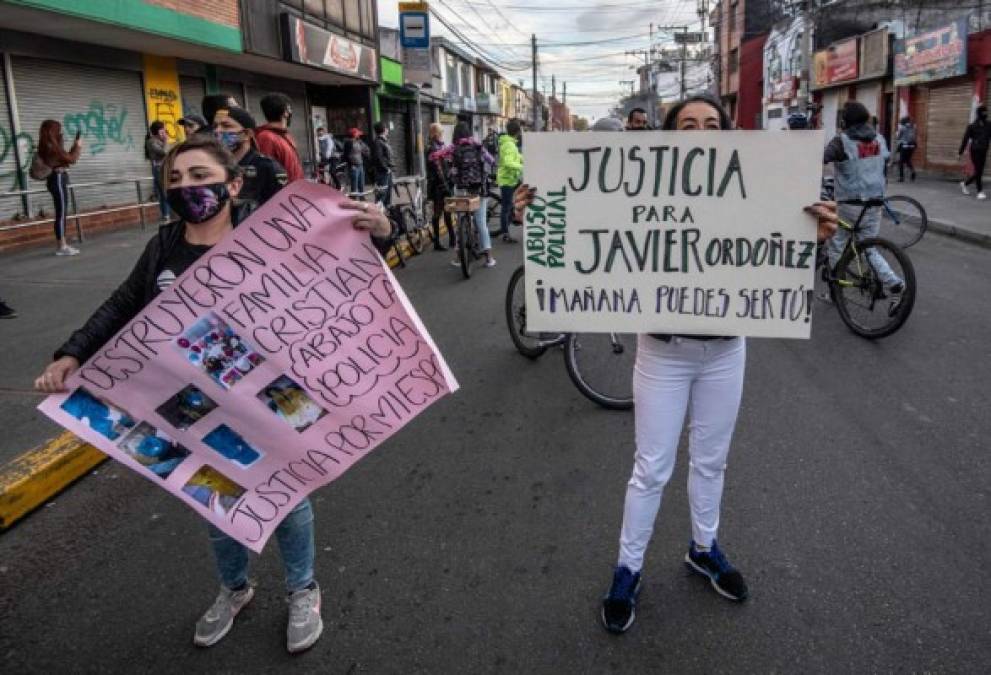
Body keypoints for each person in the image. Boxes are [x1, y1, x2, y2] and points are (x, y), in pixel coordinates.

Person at [34, 134, 391, 653]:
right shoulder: (162, 245)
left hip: (272, 394)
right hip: (194, 405)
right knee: (214, 498)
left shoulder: (266, 236)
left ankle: (302, 589)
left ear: (235, 182)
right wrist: (73, 352)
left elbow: (338, 269)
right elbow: (122, 305)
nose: (186, 187)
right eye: (175, 179)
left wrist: (380, 233)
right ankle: (235, 588)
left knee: (287, 496)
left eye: (200, 176)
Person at [599, 92, 840, 635]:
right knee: (652, 468)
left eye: (711, 123)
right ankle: (628, 568)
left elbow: (780, 247)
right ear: (669, 135)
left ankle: (703, 549)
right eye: (687, 124)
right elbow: (583, 224)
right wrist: (541, 211)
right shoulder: (638, 188)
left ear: (727, 133)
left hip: (726, 350)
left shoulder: (754, 191)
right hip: (664, 352)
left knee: (712, 460)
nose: (700, 131)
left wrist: (815, 235)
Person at [822, 101, 903, 293]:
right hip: (875, 204)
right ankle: (894, 282)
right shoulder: (880, 139)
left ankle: (836, 289)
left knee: (837, 245)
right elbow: (884, 166)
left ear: (844, 121)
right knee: (869, 249)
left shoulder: (841, 141)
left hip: (849, 205)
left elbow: (821, 158)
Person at [429, 121, 496, 268]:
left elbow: (434, 157)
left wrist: (447, 166)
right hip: (479, 189)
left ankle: (459, 259)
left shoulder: (453, 147)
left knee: (460, 223)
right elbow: (492, 161)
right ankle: (489, 258)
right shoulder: (478, 146)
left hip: (460, 190)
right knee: (481, 224)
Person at [213, 106, 288, 210]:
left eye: (226, 126)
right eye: (215, 126)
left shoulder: (268, 168)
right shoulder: (213, 166)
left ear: (247, 134)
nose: (217, 131)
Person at [36, 119, 83, 256]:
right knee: (61, 213)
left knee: (61, 212)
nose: (60, 132)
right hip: (57, 179)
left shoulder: (48, 145)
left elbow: (66, 158)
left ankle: (62, 244)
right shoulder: (51, 146)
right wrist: (78, 146)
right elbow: (71, 159)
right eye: (58, 130)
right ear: (53, 131)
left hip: (56, 179)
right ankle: (61, 246)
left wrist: (72, 145)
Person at [256, 93, 304, 183]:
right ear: (285, 112)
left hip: (295, 191)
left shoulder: (285, 135)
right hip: (283, 194)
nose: (291, 112)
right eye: (290, 109)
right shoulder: (266, 137)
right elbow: (266, 174)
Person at [426, 123, 454, 251]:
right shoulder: (433, 147)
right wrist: (445, 185)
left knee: (447, 211)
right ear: (436, 133)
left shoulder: (440, 146)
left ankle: (452, 237)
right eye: (441, 132)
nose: (442, 134)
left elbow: (445, 164)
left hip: (442, 183)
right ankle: (437, 242)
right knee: (438, 213)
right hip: (438, 185)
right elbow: (438, 169)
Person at [496, 119, 523, 244]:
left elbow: (516, 158)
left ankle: (512, 218)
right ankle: (505, 234)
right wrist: (522, 167)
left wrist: (527, 159)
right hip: (507, 180)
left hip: (511, 178)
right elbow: (508, 162)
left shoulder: (511, 143)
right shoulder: (509, 144)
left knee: (509, 205)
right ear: (517, 132)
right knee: (506, 208)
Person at [959, 105, 990, 200]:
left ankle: (964, 184)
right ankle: (979, 192)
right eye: (983, 112)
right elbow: (965, 139)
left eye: (986, 112)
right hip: (975, 150)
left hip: (984, 150)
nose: (985, 114)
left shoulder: (989, 124)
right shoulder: (972, 126)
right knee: (979, 171)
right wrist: (960, 152)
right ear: (979, 114)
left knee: (978, 171)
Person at [144, 121, 170, 223]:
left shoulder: (159, 141)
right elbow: (165, 153)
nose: (164, 131)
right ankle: (166, 215)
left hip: (163, 168)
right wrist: (166, 140)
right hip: (159, 169)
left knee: (163, 193)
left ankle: (166, 215)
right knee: (164, 193)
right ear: (157, 131)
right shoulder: (151, 142)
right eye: (162, 129)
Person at [371, 121, 395, 207]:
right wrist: (386, 168)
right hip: (382, 172)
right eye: (386, 128)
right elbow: (378, 158)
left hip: (386, 171)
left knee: (387, 194)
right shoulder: (378, 142)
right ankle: (378, 214)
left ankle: (386, 215)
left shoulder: (383, 141)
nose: (388, 129)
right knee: (382, 195)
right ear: (384, 130)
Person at [343, 128, 369, 194]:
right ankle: (354, 197)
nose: (359, 135)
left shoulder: (358, 141)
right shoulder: (349, 142)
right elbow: (346, 155)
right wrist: (351, 165)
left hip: (360, 163)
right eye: (357, 133)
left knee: (361, 182)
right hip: (354, 165)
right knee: (354, 183)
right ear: (354, 134)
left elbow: (364, 150)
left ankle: (362, 196)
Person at [895, 116, 917, 182]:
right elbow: (914, 136)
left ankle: (901, 177)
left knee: (901, 162)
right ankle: (913, 171)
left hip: (904, 146)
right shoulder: (913, 127)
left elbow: (898, 137)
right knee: (907, 160)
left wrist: (897, 134)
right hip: (912, 146)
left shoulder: (902, 128)